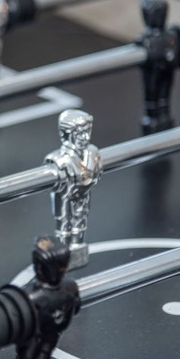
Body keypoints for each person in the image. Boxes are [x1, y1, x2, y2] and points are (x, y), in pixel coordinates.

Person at [44, 110, 102, 269]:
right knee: (63, 223)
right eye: (80, 134)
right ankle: (62, 256)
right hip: (65, 196)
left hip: (83, 195)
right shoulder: (58, 160)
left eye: (87, 132)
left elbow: (96, 173)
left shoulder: (93, 153)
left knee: (80, 220)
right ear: (67, 135)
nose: (85, 138)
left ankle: (77, 250)